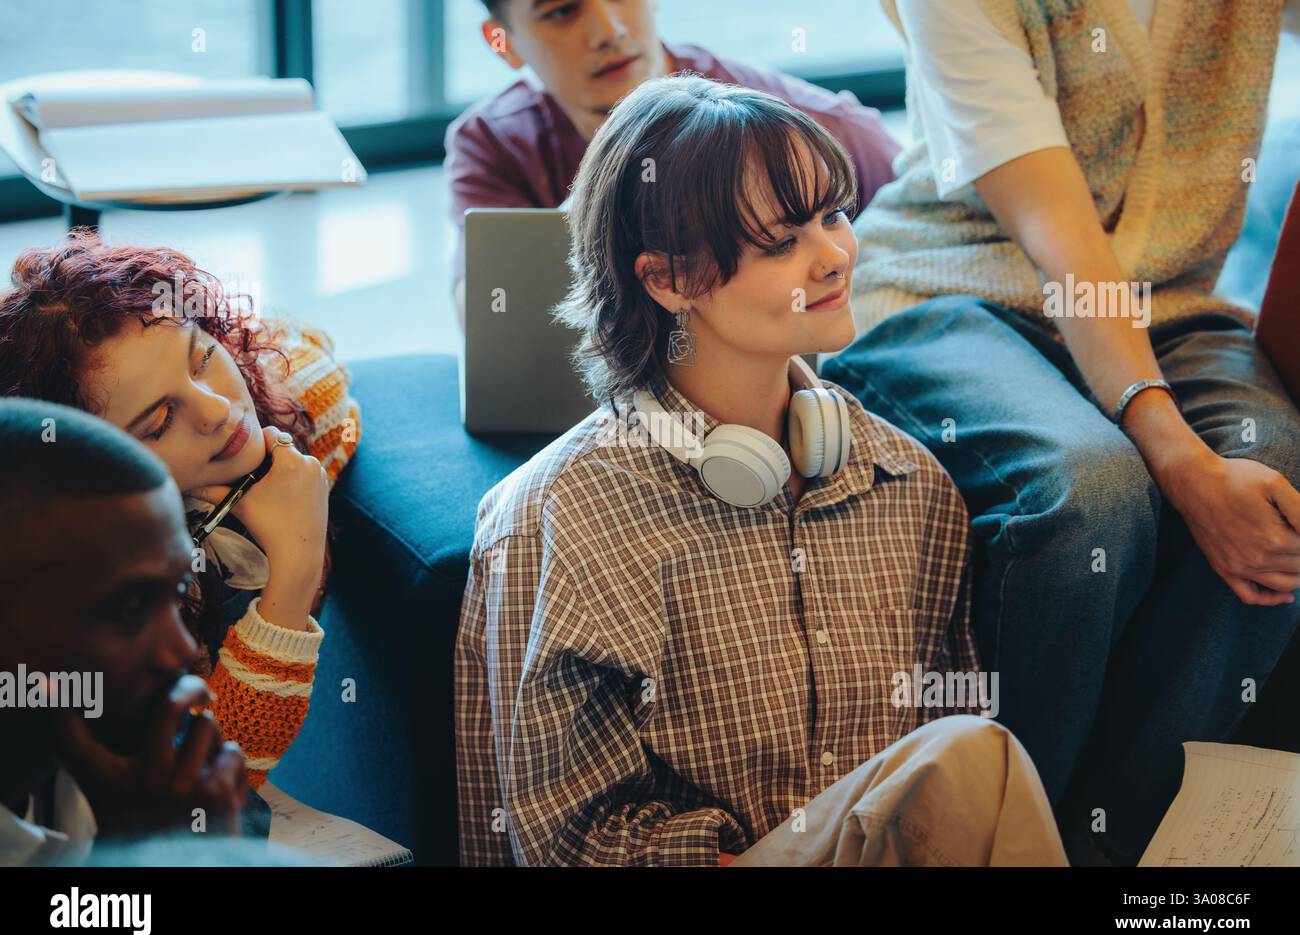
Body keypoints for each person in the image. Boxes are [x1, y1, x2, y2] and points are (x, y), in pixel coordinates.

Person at [454, 74, 1067, 867]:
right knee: (973, 759)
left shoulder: (907, 483)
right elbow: (567, 843)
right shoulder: (555, 516)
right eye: (781, 243)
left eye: (833, 216)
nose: (834, 256)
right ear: (668, 279)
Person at [821, 0, 1300, 864]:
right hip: (948, 291)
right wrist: (1181, 461)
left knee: (1277, 476)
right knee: (1089, 492)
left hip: (1172, 305)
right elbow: (1064, 244)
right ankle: (997, 841)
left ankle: (1114, 843)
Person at [0, 233, 362, 788]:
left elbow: (314, 359)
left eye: (202, 360)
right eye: (158, 423)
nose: (219, 412)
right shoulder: (83, 586)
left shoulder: (301, 406)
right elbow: (213, 781)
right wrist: (293, 574)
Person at [446, 0, 902, 324]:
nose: (610, 30)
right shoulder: (493, 143)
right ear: (503, 43)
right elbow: (487, 313)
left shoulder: (816, 125)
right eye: (564, 10)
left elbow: (920, 226)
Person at [0, 398, 249, 865]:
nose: (182, 649)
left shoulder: (125, 769)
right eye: (128, 608)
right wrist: (167, 856)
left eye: (177, 590)